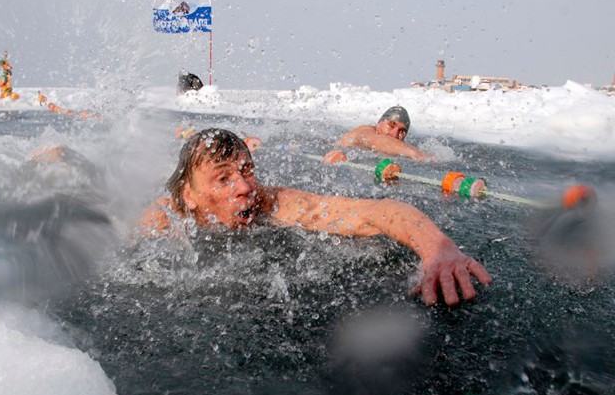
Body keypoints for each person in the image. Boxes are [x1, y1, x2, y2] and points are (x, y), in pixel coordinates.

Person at [141, 128, 491, 307]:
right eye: (224, 178)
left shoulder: (271, 203)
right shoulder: (164, 217)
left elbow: (378, 213)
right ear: (189, 194)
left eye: (247, 171)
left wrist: (437, 250)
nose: (244, 187)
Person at [337, 106, 433, 161]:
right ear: (380, 122)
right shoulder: (365, 130)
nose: (395, 134)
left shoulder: (399, 148)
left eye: (402, 131)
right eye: (391, 125)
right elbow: (377, 141)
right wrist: (416, 153)